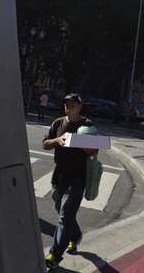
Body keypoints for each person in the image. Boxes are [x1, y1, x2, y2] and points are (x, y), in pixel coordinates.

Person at [43, 93, 95, 270]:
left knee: (65, 216)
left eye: (72, 105)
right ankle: (75, 236)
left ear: (80, 107)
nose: (68, 107)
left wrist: (86, 147)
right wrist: (57, 140)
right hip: (59, 176)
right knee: (62, 212)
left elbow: (95, 150)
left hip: (77, 178)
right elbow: (45, 143)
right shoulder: (58, 123)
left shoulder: (87, 125)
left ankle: (54, 255)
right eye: (66, 105)